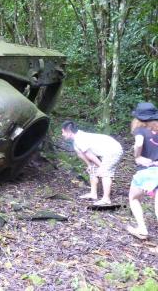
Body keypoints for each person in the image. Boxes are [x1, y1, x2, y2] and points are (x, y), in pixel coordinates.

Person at [61, 120, 123, 205]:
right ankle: (93, 194)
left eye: (63, 132)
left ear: (69, 132)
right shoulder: (76, 140)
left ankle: (106, 199)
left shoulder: (80, 139)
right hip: (102, 152)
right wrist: (89, 165)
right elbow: (81, 154)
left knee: (105, 173)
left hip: (113, 150)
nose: (62, 134)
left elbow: (90, 155)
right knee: (93, 169)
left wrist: (101, 167)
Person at [126, 102, 158, 239]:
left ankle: (142, 229)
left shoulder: (140, 130)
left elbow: (139, 143)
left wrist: (137, 156)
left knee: (133, 198)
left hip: (147, 171)